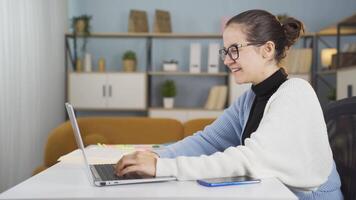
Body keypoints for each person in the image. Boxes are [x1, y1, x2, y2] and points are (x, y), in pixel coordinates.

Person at [115, 9, 343, 200]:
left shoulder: (296, 93)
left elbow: (250, 160)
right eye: (226, 51)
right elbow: (209, 141)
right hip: (273, 191)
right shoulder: (250, 98)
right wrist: (157, 158)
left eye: (234, 49)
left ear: (267, 49)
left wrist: (162, 169)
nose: (226, 60)